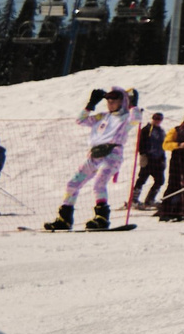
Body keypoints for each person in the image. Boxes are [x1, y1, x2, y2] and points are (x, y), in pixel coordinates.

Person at [46, 86, 137, 232]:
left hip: (112, 153)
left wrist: (133, 104)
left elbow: (137, 119)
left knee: (99, 184)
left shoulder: (126, 117)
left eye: (114, 99)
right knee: (72, 184)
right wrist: (90, 105)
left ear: (122, 101)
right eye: (108, 100)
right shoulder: (103, 116)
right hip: (94, 154)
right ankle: (65, 218)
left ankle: (102, 218)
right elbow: (80, 120)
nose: (110, 102)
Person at [130, 112, 170, 210]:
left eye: (159, 119)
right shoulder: (147, 129)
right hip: (148, 158)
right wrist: (143, 154)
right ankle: (134, 199)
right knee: (142, 178)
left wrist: (163, 158)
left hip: (158, 158)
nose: (157, 121)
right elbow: (141, 143)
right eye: (156, 118)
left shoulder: (161, 131)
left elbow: (163, 145)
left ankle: (150, 199)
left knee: (160, 180)